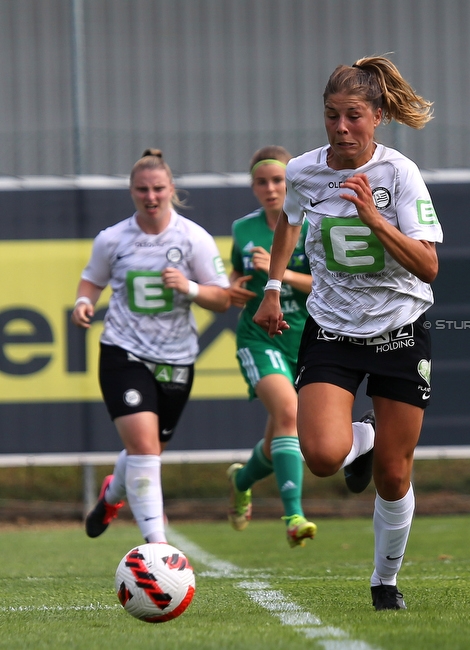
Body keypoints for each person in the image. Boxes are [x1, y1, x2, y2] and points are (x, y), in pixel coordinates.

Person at [253, 55, 440, 611]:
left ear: (377, 116)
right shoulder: (306, 172)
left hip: (399, 330)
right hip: (332, 327)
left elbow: (428, 267)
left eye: (353, 116)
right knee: (323, 456)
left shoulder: (399, 174)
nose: (341, 128)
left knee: (392, 475)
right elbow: (287, 221)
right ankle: (363, 432)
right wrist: (270, 288)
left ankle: (385, 583)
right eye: (332, 116)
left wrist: (376, 221)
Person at [74, 149, 231, 544]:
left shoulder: (193, 238)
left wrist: (190, 287)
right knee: (144, 447)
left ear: (171, 190)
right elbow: (91, 280)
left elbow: (222, 298)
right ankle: (157, 548)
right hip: (123, 352)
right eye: (142, 189)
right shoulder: (112, 239)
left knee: (147, 453)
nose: (151, 196)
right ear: (131, 191)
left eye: (158, 188)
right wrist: (83, 301)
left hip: (177, 358)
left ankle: (112, 494)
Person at [225, 145, 318, 548]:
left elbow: (325, 283)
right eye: (261, 181)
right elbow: (236, 275)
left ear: (292, 182)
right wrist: (233, 289)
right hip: (259, 336)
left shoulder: (313, 224)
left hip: (305, 339)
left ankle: (242, 479)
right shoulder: (243, 230)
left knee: (278, 435)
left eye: (278, 180)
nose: (270, 188)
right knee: (289, 412)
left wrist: (277, 273)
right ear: (253, 186)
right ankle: (294, 517)